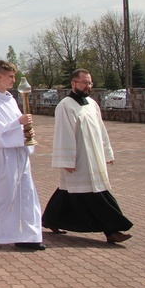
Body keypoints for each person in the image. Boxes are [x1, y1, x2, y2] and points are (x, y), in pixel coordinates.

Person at [41, 69, 133, 244]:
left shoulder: (92, 103)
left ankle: (50, 220)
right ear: (73, 83)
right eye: (84, 82)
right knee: (97, 195)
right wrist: (67, 160)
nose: (88, 86)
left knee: (67, 191)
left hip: (95, 156)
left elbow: (101, 129)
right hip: (80, 159)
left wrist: (107, 152)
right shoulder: (65, 105)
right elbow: (64, 134)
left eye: (90, 83)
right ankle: (112, 230)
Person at [0, 60, 44, 250]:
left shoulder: (10, 100)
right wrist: (19, 124)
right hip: (5, 156)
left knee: (26, 194)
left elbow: (18, 126)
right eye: (10, 77)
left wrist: (27, 132)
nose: (13, 80)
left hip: (20, 154)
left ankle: (28, 236)